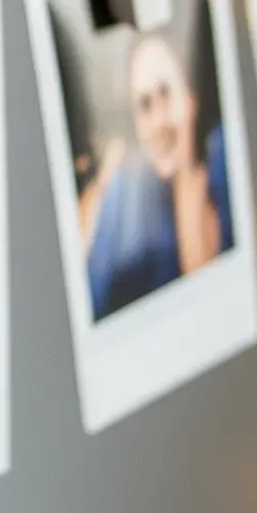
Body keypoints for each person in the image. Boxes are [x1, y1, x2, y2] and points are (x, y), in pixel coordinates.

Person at [83, 26, 231, 320]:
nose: (158, 122)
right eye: (145, 105)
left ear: (191, 99)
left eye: (167, 95)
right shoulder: (129, 201)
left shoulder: (225, 160)